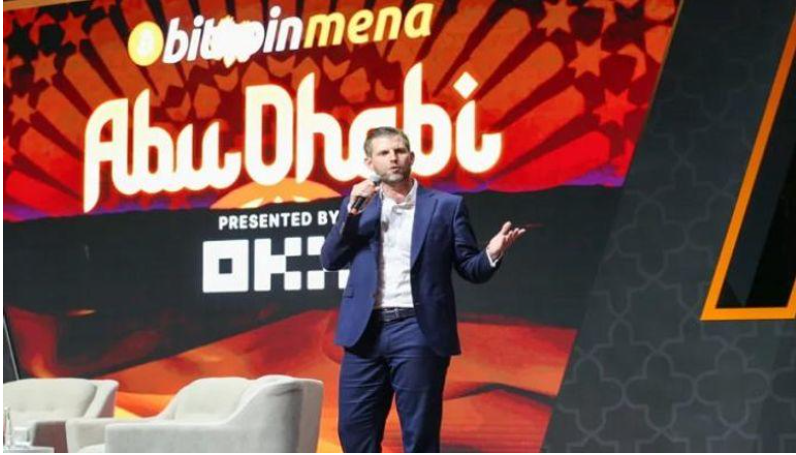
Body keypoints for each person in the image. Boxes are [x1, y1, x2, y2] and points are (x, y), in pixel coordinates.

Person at [320, 127, 525, 452]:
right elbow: (330, 259)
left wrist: (491, 253)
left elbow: (470, 268)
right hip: (364, 332)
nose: (393, 158)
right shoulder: (358, 206)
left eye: (399, 151)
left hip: (417, 328)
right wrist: (352, 212)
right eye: (384, 153)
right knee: (354, 434)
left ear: (412, 157)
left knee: (419, 436)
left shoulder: (446, 206)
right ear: (369, 163)